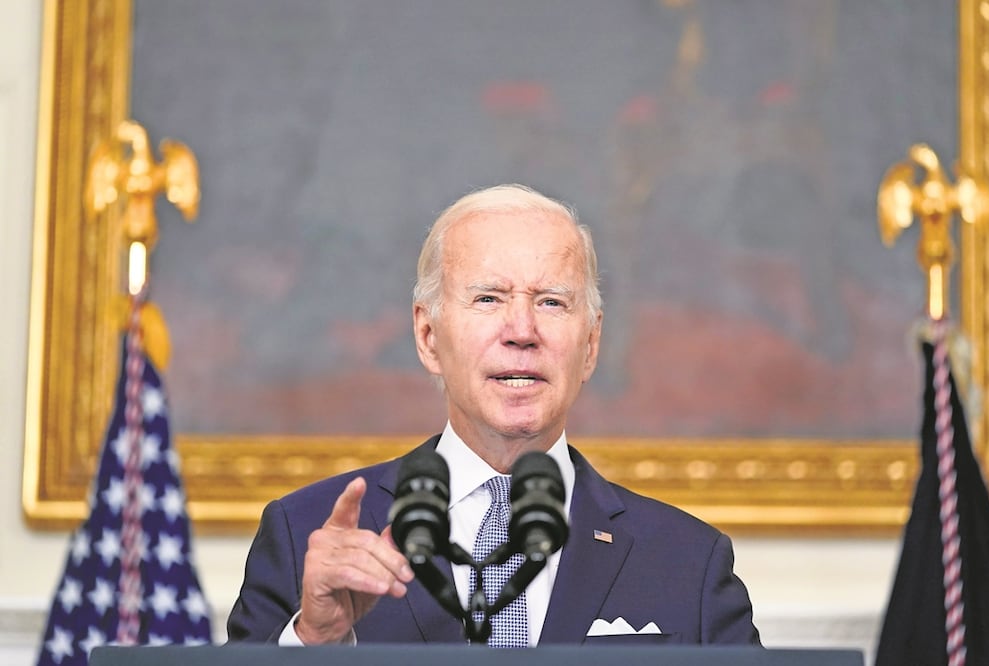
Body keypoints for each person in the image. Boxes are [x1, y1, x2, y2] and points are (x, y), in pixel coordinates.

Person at [226, 184, 760, 647]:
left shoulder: (689, 561)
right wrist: (314, 640)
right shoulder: (304, 535)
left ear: (591, 345)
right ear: (428, 337)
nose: (522, 331)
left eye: (551, 302)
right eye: (488, 299)